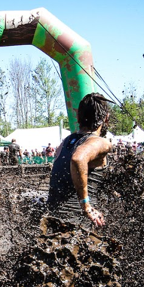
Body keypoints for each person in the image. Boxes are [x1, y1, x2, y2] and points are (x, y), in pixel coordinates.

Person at [46, 93, 114, 228]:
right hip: (80, 222)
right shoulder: (100, 142)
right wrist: (86, 205)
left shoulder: (66, 141)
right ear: (106, 118)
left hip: (53, 217)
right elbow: (78, 159)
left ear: (78, 117)